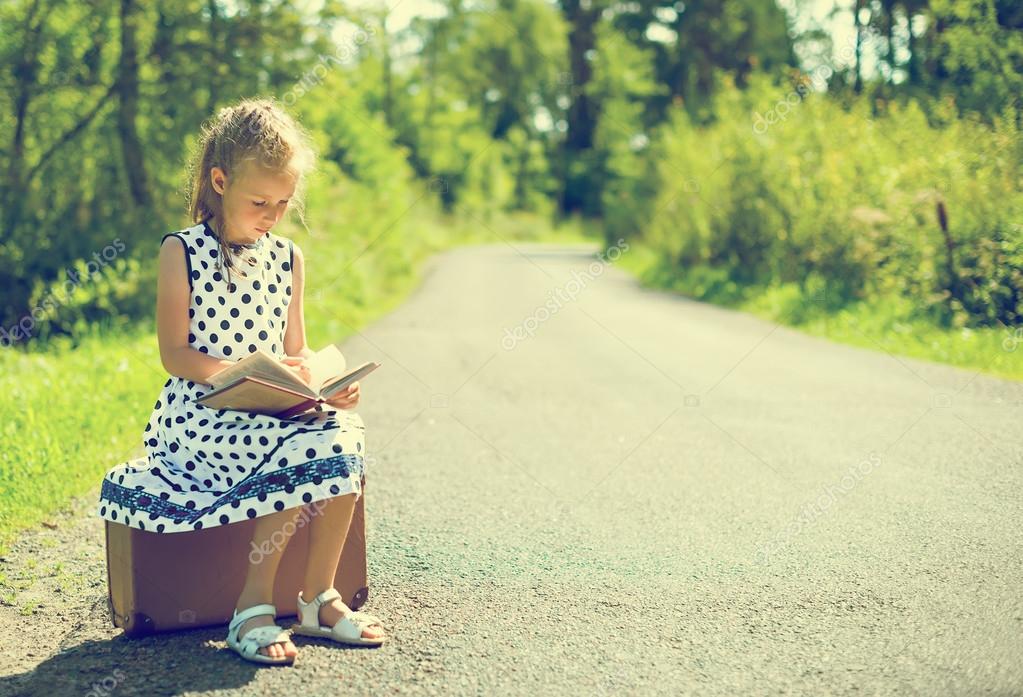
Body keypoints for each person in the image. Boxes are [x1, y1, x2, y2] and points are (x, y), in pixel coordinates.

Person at [95, 97, 386, 665]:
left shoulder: (289, 258)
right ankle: (251, 608)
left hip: (275, 405)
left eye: (282, 203)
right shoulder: (182, 251)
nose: (272, 215)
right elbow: (175, 353)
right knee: (291, 444)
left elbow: (294, 348)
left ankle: (317, 599)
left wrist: (325, 383)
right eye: (260, 202)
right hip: (202, 416)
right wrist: (235, 375)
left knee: (343, 431)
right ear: (220, 181)